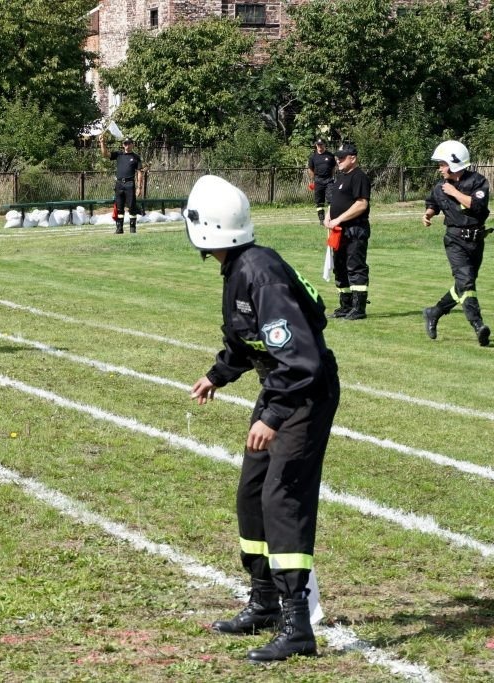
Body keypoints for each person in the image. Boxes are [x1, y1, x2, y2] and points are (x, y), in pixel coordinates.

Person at [185, 175, 340, 662]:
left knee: (282, 496)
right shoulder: (238, 268)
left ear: (207, 228)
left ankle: (297, 624)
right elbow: (246, 339)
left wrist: (272, 415)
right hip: (282, 387)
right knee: (253, 492)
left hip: (302, 394)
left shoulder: (260, 272)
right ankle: (265, 601)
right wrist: (216, 375)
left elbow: (302, 359)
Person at [422, 140, 491, 346]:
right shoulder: (439, 187)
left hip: (476, 240)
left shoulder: (478, 182)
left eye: (442, 164)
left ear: (454, 163)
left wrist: (454, 193)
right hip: (454, 240)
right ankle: (478, 325)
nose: (440, 168)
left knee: (463, 284)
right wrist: (428, 214)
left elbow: (477, 205)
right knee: (467, 282)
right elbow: (433, 203)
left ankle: (434, 312)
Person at [324, 142, 372, 320]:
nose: (338, 160)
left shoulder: (358, 177)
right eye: (337, 157)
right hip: (339, 231)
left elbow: (361, 204)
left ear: (353, 158)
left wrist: (339, 219)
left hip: (355, 229)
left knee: (355, 267)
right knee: (340, 267)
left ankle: (358, 308)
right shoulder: (341, 177)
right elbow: (335, 202)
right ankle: (345, 305)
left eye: (342, 157)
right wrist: (329, 217)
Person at [100, 135, 143, 234]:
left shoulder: (136, 157)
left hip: (129, 184)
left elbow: (139, 173)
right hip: (119, 184)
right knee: (119, 207)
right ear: (123, 145)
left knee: (132, 207)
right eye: (125, 144)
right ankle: (119, 228)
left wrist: (139, 187)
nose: (126, 145)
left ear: (132, 144)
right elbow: (105, 154)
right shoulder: (119, 154)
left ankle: (133, 229)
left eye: (128, 143)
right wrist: (102, 143)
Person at [306, 138, 337, 225]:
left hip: (328, 180)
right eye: (318, 145)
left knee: (331, 199)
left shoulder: (330, 155)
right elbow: (310, 169)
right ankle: (321, 219)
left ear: (324, 145)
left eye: (321, 144)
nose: (320, 146)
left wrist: (332, 177)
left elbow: (333, 168)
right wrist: (313, 180)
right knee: (319, 201)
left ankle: (330, 217)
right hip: (318, 180)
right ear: (316, 145)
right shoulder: (313, 157)